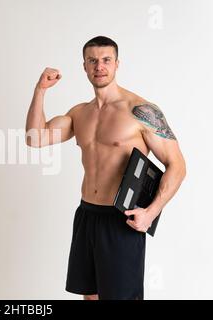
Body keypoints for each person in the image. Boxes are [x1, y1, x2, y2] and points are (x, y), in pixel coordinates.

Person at [25, 36, 186, 300]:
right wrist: (40, 90)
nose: (99, 66)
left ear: (117, 64)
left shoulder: (140, 111)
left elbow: (177, 165)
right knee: (90, 296)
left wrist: (151, 212)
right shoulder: (79, 113)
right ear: (85, 67)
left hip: (121, 220)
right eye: (93, 61)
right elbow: (35, 138)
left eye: (106, 60)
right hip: (87, 214)